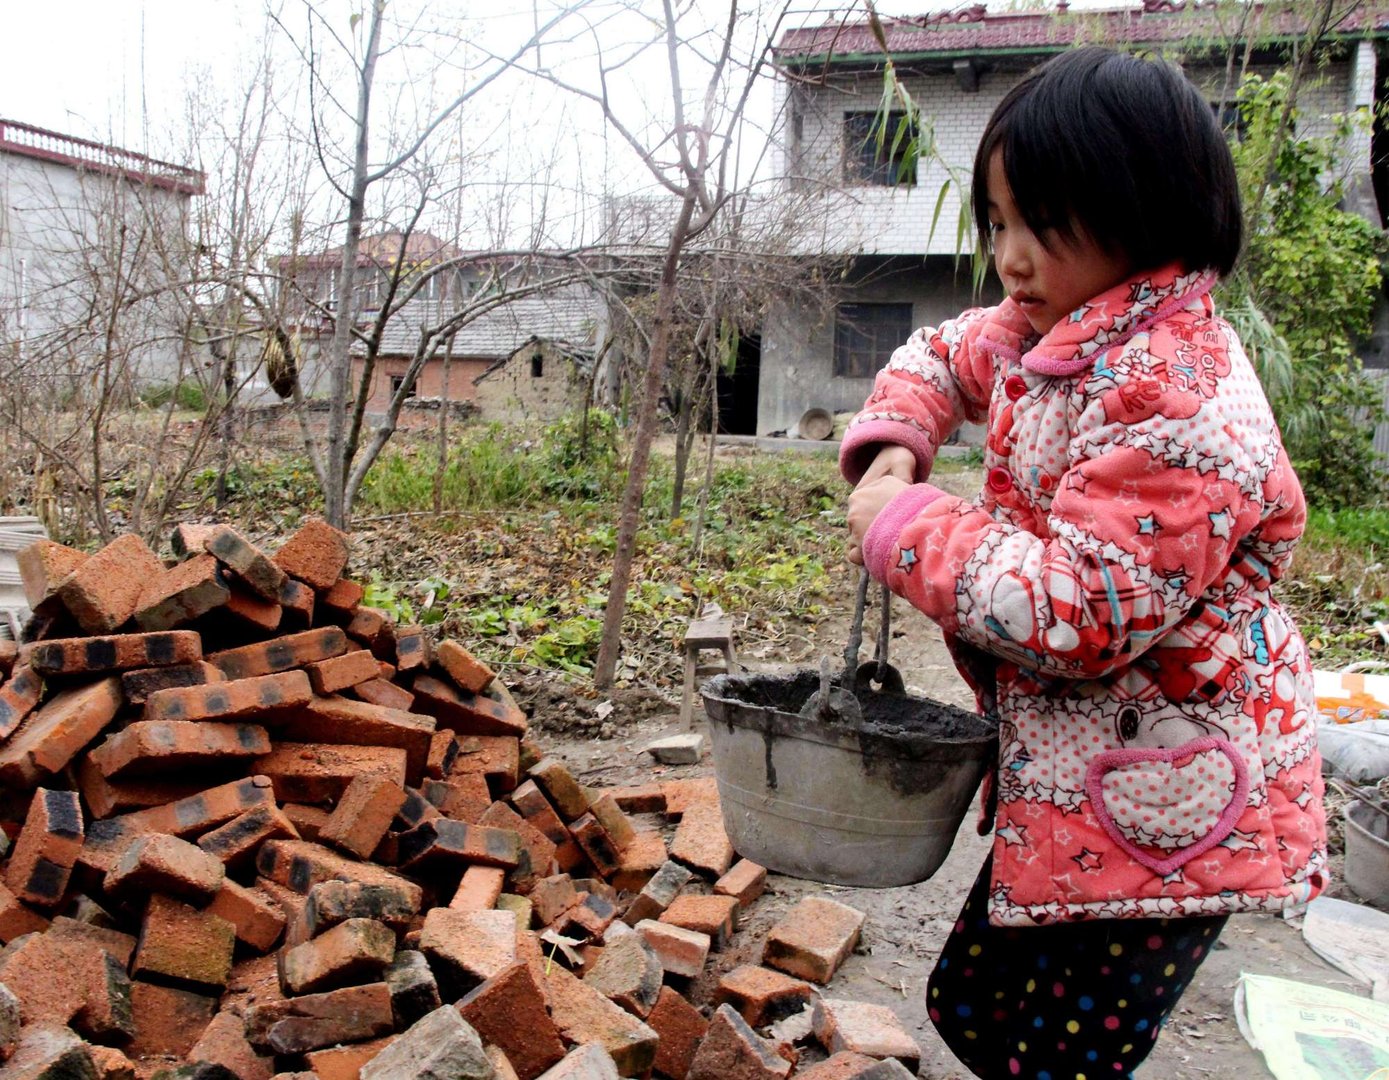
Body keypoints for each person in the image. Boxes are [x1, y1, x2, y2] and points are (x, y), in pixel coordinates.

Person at [840, 46, 1327, 1080]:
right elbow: (940, 356)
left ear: (1143, 210)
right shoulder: (1055, 326)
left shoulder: (1182, 396)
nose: (1010, 258)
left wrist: (907, 525)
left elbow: (1083, 609)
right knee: (968, 1004)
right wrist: (898, 433)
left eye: (1041, 225)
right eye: (1000, 223)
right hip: (1085, 780)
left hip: (1174, 809)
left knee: (1051, 1060)